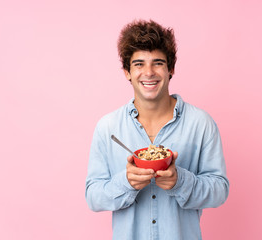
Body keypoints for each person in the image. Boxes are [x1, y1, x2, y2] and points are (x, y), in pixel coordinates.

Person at [85, 19, 229, 240]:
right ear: (127, 72)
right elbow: (93, 197)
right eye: (139, 64)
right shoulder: (108, 127)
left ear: (171, 69)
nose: (149, 72)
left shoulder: (200, 123)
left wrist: (180, 181)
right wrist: (126, 183)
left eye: (158, 63)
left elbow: (219, 190)